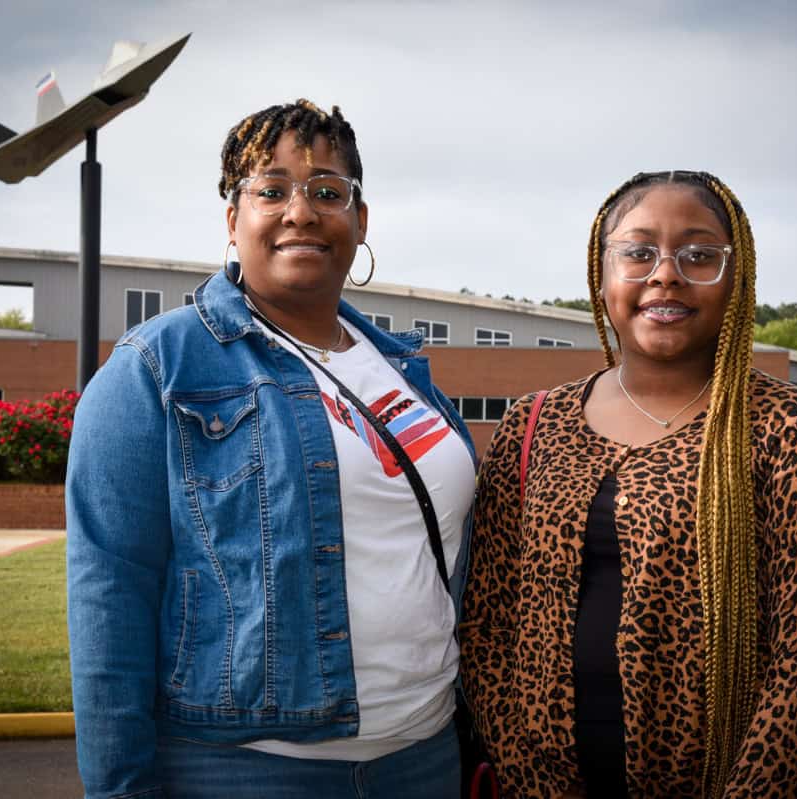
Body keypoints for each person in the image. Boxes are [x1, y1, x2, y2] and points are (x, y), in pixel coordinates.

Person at [67, 99, 476, 799]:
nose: (301, 210)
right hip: (247, 771)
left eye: (327, 191)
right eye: (271, 188)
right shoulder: (158, 367)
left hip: (427, 755)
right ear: (233, 218)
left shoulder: (403, 368)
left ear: (360, 219)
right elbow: (110, 593)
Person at [460, 171, 797, 798]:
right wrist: (529, 777)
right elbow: (488, 625)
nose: (666, 273)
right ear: (602, 278)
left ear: (737, 280)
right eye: (638, 251)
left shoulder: (795, 430)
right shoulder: (532, 424)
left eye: (700, 254)